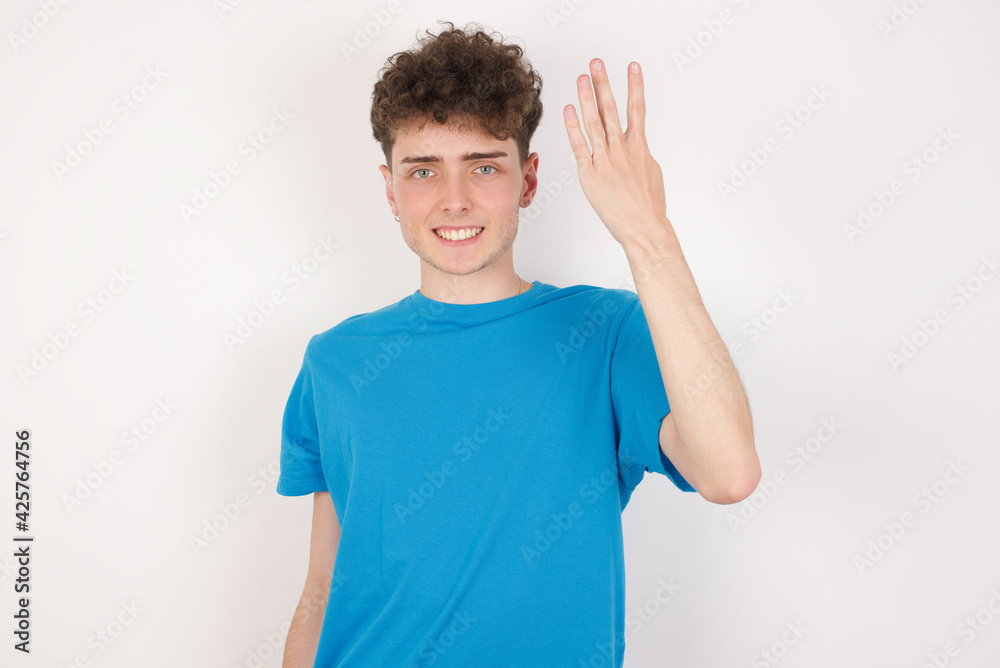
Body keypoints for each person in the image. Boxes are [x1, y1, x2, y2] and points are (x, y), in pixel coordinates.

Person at [277, 20, 761, 668]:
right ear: (390, 189)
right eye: (423, 171)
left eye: (483, 166)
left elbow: (729, 473)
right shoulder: (334, 362)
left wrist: (648, 231)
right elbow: (321, 588)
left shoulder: (606, 333)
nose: (454, 200)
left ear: (528, 180)